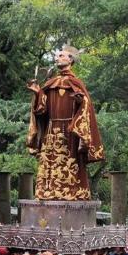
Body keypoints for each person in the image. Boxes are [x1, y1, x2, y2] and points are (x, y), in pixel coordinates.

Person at [26, 45, 104, 200]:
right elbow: (42, 111)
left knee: (71, 163)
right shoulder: (50, 84)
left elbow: (86, 108)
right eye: (56, 56)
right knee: (50, 163)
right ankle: (47, 193)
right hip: (51, 132)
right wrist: (37, 94)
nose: (57, 58)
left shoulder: (77, 83)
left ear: (71, 59)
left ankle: (74, 193)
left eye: (61, 55)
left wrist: (80, 102)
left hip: (70, 132)